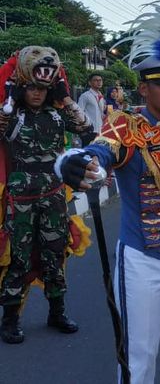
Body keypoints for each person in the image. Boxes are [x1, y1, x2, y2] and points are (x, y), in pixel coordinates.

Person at [57, 0, 160, 384]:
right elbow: (97, 151)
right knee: (138, 357)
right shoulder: (125, 126)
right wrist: (73, 162)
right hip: (141, 259)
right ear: (144, 88)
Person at [0, 46, 94, 344]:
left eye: (43, 88)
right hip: (22, 200)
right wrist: (11, 98)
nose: (37, 94)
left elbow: (85, 127)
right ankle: (11, 319)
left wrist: (64, 96)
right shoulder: (12, 116)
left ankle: (57, 311)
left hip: (53, 196)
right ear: (21, 88)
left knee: (56, 254)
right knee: (19, 259)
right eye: (31, 88)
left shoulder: (56, 116)